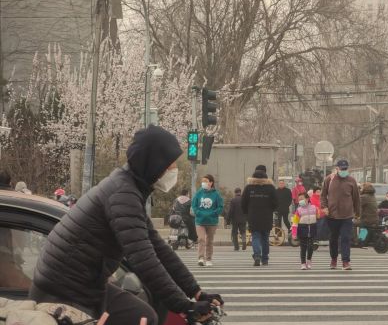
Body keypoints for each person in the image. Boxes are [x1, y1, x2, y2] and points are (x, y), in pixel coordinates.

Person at [30, 125, 222, 325]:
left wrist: (196, 292)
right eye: (171, 164)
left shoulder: (129, 189)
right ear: (154, 164)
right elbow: (143, 258)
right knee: (140, 318)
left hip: (84, 283)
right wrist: (184, 305)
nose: (174, 169)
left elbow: (159, 248)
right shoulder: (123, 195)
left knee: (144, 316)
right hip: (64, 289)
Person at [321, 159, 360, 271]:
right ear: (337, 168)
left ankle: (345, 261)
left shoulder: (351, 180)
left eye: (345, 169)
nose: (343, 171)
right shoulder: (329, 179)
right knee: (333, 239)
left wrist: (357, 213)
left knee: (346, 238)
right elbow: (323, 195)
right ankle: (334, 259)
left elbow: (356, 198)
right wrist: (324, 207)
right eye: (341, 169)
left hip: (347, 215)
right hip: (332, 215)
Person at [242, 168, 278, 267]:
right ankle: (265, 259)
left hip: (253, 216)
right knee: (265, 238)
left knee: (256, 237)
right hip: (267, 217)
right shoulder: (270, 188)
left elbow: (243, 203)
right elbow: (276, 202)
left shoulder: (249, 188)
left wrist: (246, 213)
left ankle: (257, 255)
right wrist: (271, 209)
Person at [192, 174, 224, 267]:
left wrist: (214, 213)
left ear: (211, 182)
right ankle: (201, 258)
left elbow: (220, 206)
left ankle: (209, 259)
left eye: (205, 181)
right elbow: (194, 205)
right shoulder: (199, 193)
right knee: (201, 239)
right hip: (200, 221)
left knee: (209, 241)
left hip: (212, 222)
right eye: (203, 181)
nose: (203, 183)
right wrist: (198, 212)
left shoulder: (216, 194)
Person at [291, 192, 321, 270]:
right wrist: (294, 233)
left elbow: (319, 216)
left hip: (312, 228)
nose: (300, 201)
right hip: (302, 229)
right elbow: (295, 222)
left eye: (302, 199)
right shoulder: (298, 210)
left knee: (311, 247)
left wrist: (319, 211)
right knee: (303, 247)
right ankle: (303, 263)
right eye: (299, 199)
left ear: (307, 199)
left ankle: (309, 260)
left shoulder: (314, 207)